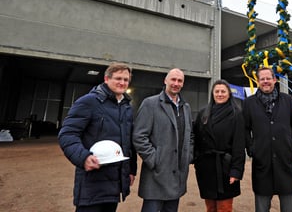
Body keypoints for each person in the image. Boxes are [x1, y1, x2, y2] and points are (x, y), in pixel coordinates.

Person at [58, 62, 137, 212]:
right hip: (92, 180)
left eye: (126, 80)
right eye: (118, 78)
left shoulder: (126, 107)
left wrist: (131, 170)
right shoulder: (88, 102)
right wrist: (83, 157)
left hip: (115, 182)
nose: (122, 83)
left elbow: (128, 141)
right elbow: (67, 134)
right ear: (106, 79)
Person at [132, 68, 193, 212]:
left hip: (177, 176)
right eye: (173, 79)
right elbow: (139, 136)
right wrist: (154, 159)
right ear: (165, 80)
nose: (176, 83)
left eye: (180, 81)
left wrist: (187, 156)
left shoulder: (186, 108)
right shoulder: (150, 104)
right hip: (156, 176)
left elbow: (190, 136)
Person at [243, 67, 292, 212]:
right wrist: (252, 149)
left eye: (268, 78)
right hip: (262, 164)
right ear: (257, 81)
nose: (265, 82)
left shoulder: (287, 100)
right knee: (262, 208)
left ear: (274, 80)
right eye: (262, 79)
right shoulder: (249, 103)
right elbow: (244, 129)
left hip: (285, 162)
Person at [193, 79, 246, 212]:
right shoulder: (203, 113)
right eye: (217, 91)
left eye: (223, 91)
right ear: (212, 93)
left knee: (224, 207)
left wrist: (236, 171)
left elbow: (239, 145)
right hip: (206, 168)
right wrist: (196, 159)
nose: (220, 94)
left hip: (226, 168)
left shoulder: (236, 114)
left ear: (229, 94)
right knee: (210, 207)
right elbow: (195, 138)